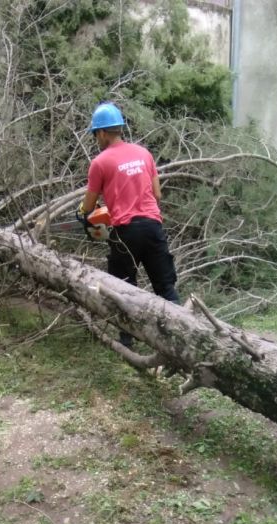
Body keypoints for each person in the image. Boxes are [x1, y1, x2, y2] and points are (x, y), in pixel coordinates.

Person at [78, 102, 179, 348]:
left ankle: (127, 342)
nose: (96, 139)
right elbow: (157, 194)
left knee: (123, 289)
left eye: (95, 135)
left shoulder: (100, 163)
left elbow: (89, 205)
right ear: (119, 129)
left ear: (101, 132)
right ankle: (181, 336)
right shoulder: (144, 153)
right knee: (165, 287)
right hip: (153, 226)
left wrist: (82, 215)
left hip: (126, 232)